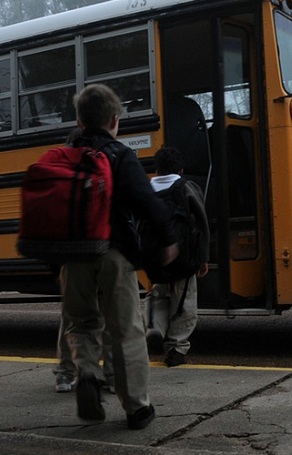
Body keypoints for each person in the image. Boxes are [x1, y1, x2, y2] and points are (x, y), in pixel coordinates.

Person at [59, 83, 177, 430]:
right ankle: (137, 408)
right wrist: (168, 239)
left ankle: (88, 375)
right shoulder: (119, 155)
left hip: (72, 256)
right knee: (126, 330)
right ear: (114, 120)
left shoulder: (63, 157)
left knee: (80, 324)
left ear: (80, 121)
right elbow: (147, 201)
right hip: (113, 252)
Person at [145, 147, 210, 367]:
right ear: (180, 170)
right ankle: (176, 348)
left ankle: (155, 328)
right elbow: (201, 223)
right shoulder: (187, 188)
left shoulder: (146, 189)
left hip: (156, 259)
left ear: (157, 168)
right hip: (184, 258)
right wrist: (203, 257)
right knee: (184, 301)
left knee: (158, 295)